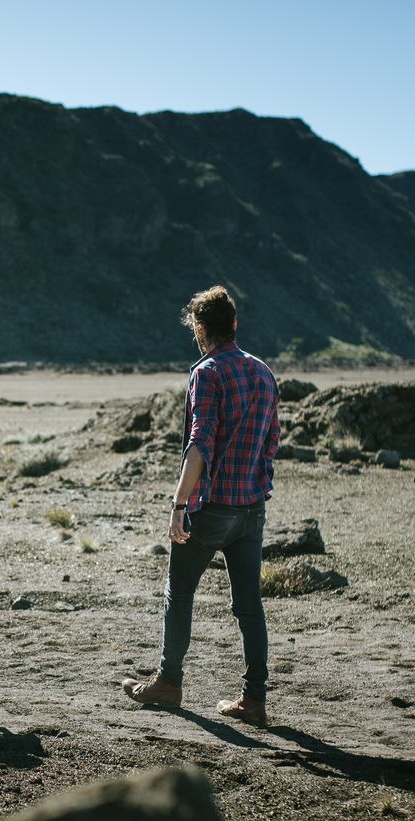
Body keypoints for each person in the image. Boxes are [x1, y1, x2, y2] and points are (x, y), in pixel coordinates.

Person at [121, 285, 280, 726]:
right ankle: (254, 699)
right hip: (251, 507)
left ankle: (169, 682)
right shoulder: (264, 373)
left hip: (211, 508)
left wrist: (178, 505)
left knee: (180, 592)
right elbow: (272, 444)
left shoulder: (207, 372)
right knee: (249, 605)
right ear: (234, 325)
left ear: (201, 328)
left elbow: (199, 444)